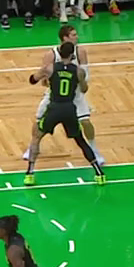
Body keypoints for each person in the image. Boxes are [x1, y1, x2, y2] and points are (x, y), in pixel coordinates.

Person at [23, 25, 102, 163]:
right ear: (65, 38)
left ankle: (94, 149)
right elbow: (44, 81)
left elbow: (85, 77)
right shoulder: (51, 55)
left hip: (75, 93)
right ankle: (32, 147)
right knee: (39, 120)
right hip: (55, 95)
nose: (77, 37)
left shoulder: (81, 52)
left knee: (85, 121)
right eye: (74, 35)